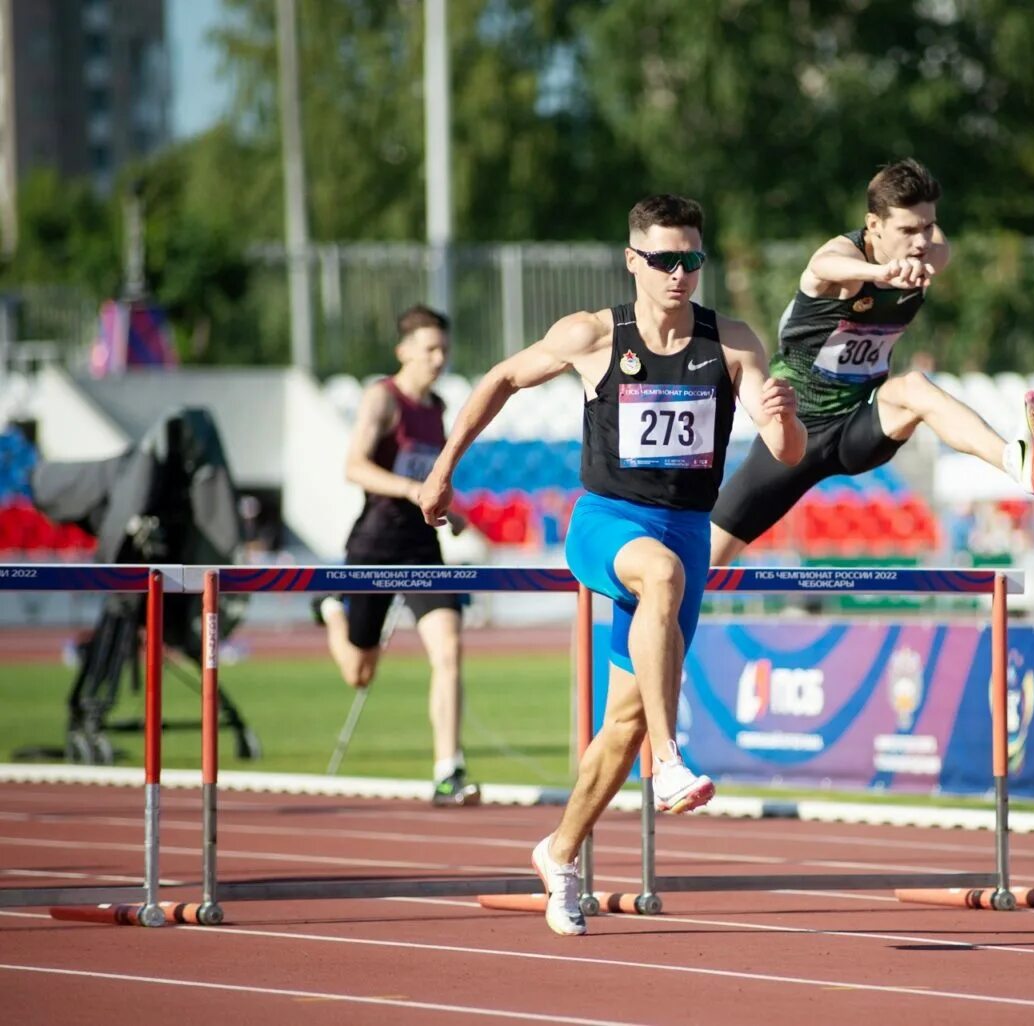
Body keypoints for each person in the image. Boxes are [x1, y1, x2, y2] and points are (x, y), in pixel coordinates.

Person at [417, 195, 806, 936]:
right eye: (664, 260)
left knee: (621, 719)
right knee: (658, 576)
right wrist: (442, 472)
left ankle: (560, 855)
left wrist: (784, 422)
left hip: (687, 529)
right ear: (634, 261)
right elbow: (500, 378)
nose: (679, 274)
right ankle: (669, 759)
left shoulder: (733, 343)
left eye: (691, 260)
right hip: (607, 522)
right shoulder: (593, 336)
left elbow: (785, 452)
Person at [710, 158, 1034, 566]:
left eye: (927, 227)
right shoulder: (845, 263)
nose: (921, 242)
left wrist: (919, 234)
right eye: (907, 231)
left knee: (914, 388)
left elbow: (935, 241)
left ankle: (1015, 460)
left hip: (861, 425)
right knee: (704, 561)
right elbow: (823, 263)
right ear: (873, 225)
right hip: (793, 435)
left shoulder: (930, 258)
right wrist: (880, 272)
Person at [312, 305, 480, 808]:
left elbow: (434, 475)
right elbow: (354, 467)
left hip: (423, 546)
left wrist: (455, 509)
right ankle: (329, 610)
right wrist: (410, 488)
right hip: (375, 544)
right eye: (429, 349)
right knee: (359, 672)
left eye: (444, 349)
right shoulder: (381, 399)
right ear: (403, 350)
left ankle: (448, 770)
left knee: (449, 651)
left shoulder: (439, 408)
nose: (438, 358)